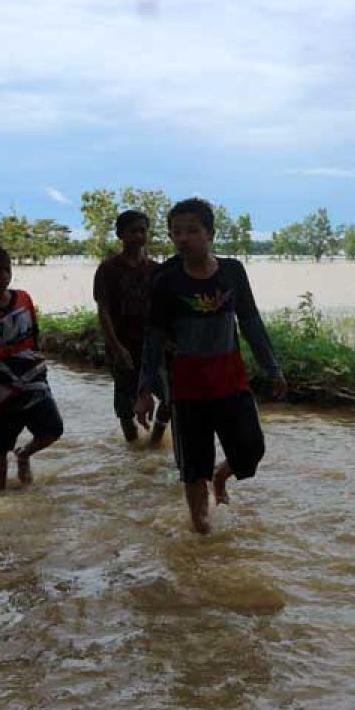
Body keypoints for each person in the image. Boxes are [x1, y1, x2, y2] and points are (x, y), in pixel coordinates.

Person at [134, 198, 287, 534]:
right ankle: (201, 532)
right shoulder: (167, 281)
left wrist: (272, 368)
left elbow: (250, 321)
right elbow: (154, 338)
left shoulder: (232, 271)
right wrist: (144, 390)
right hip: (188, 387)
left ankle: (222, 476)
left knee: (251, 450)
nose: (183, 238)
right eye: (176, 232)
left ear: (210, 234)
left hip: (230, 378)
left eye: (192, 230)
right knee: (193, 468)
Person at [0, 244, 64, 490]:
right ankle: (0, 495)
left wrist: (40, 363)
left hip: (32, 377)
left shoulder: (23, 298)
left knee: (53, 430)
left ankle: (25, 454)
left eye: (7, 270)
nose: (3, 276)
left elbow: (34, 335)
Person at [93, 210, 169, 443]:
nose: (138, 236)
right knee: (125, 405)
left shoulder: (157, 270)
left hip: (153, 345)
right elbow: (103, 309)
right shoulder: (108, 269)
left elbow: (165, 311)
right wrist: (115, 346)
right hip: (122, 344)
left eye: (142, 230)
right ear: (120, 235)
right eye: (132, 231)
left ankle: (155, 441)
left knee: (168, 397)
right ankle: (133, 449)